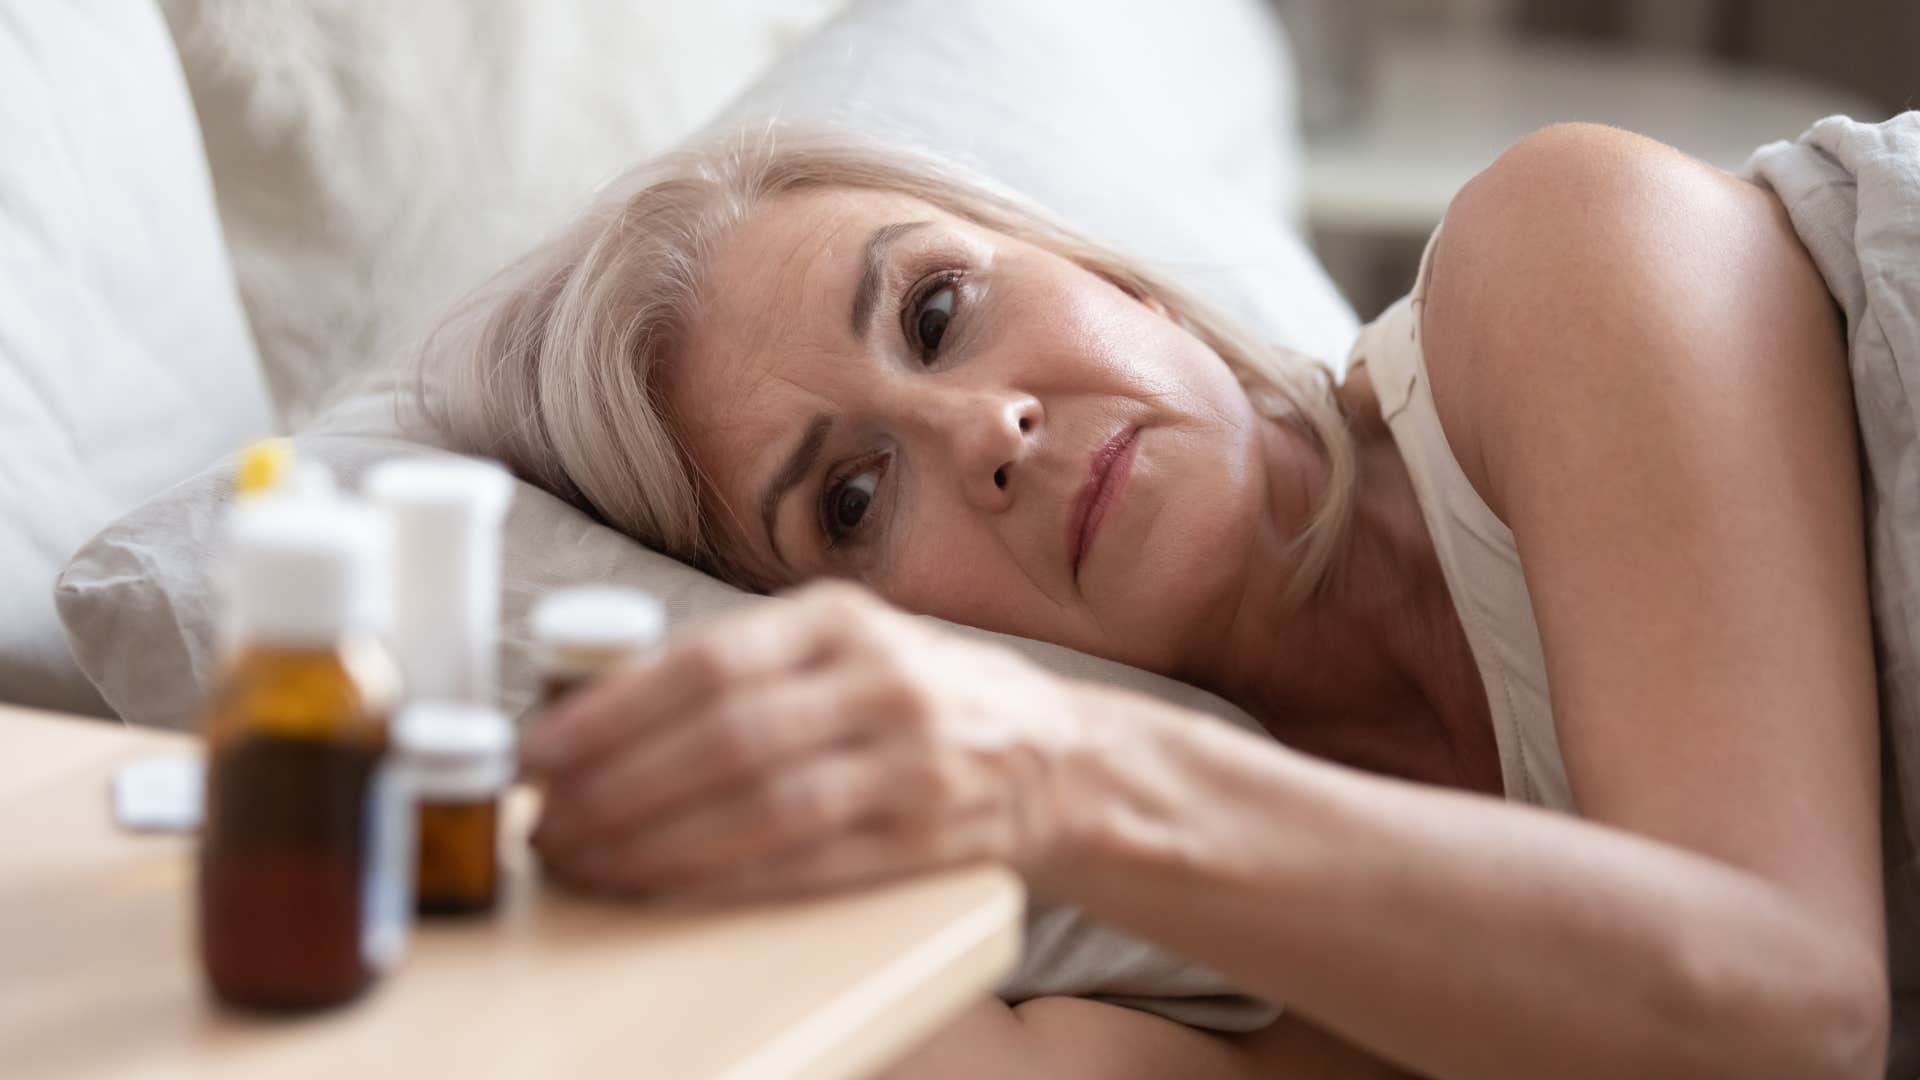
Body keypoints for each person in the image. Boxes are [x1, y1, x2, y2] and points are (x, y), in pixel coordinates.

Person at [423, 119, 1891, 1078]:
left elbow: (1794, 1011)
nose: (979, 434)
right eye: (853, 502)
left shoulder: (1562, 247)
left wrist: (1055, 770)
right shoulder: (1211, 971)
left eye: (936, 312)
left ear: (1120, 281)